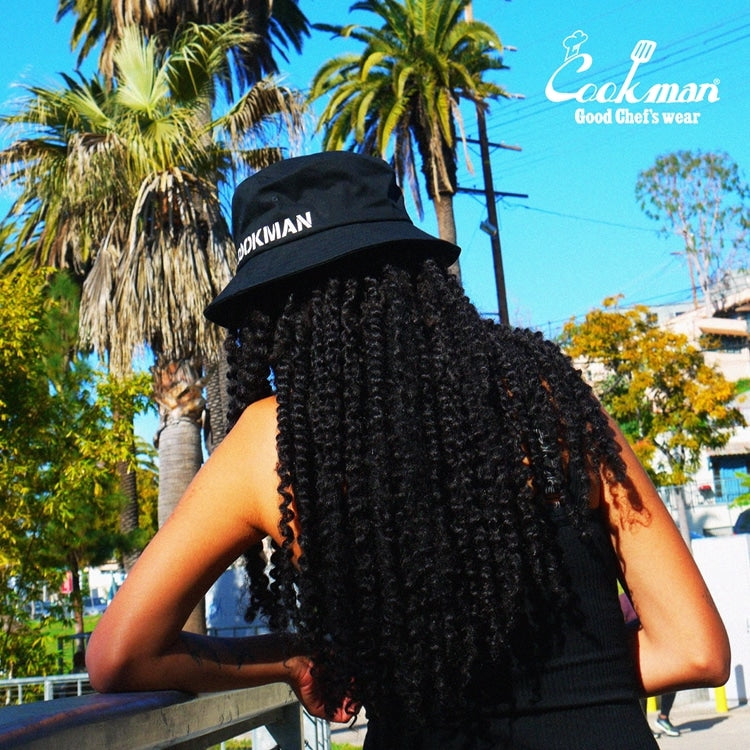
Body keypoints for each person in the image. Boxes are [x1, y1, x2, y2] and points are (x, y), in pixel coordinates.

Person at [86, 151, 730, 749]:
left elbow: (120, 655)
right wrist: (578, 680)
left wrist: (289, 659)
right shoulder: (547, 394)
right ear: (414, 271)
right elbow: (695, 651)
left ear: (270, 317)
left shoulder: (272, 443)